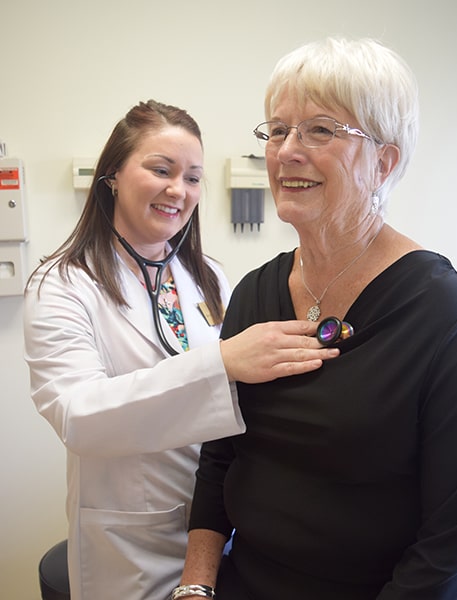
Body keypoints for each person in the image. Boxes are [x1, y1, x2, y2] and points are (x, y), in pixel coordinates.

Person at [178, 39, 457, 599]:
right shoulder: (256, 292)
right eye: (277, 131)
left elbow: (452, 541)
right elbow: (219, 458)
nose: (287, 151)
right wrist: (195, 587)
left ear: (384, 161)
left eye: (321, 130)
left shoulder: (442, 315)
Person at [23, 100, 339, 600]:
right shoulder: (63, 284)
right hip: (132, 541)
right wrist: (223, 361)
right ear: (112, 177)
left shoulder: (208, 277)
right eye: (161, 170)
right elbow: (76, 415)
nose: (179, 190)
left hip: (220, 524)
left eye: (193, 177)